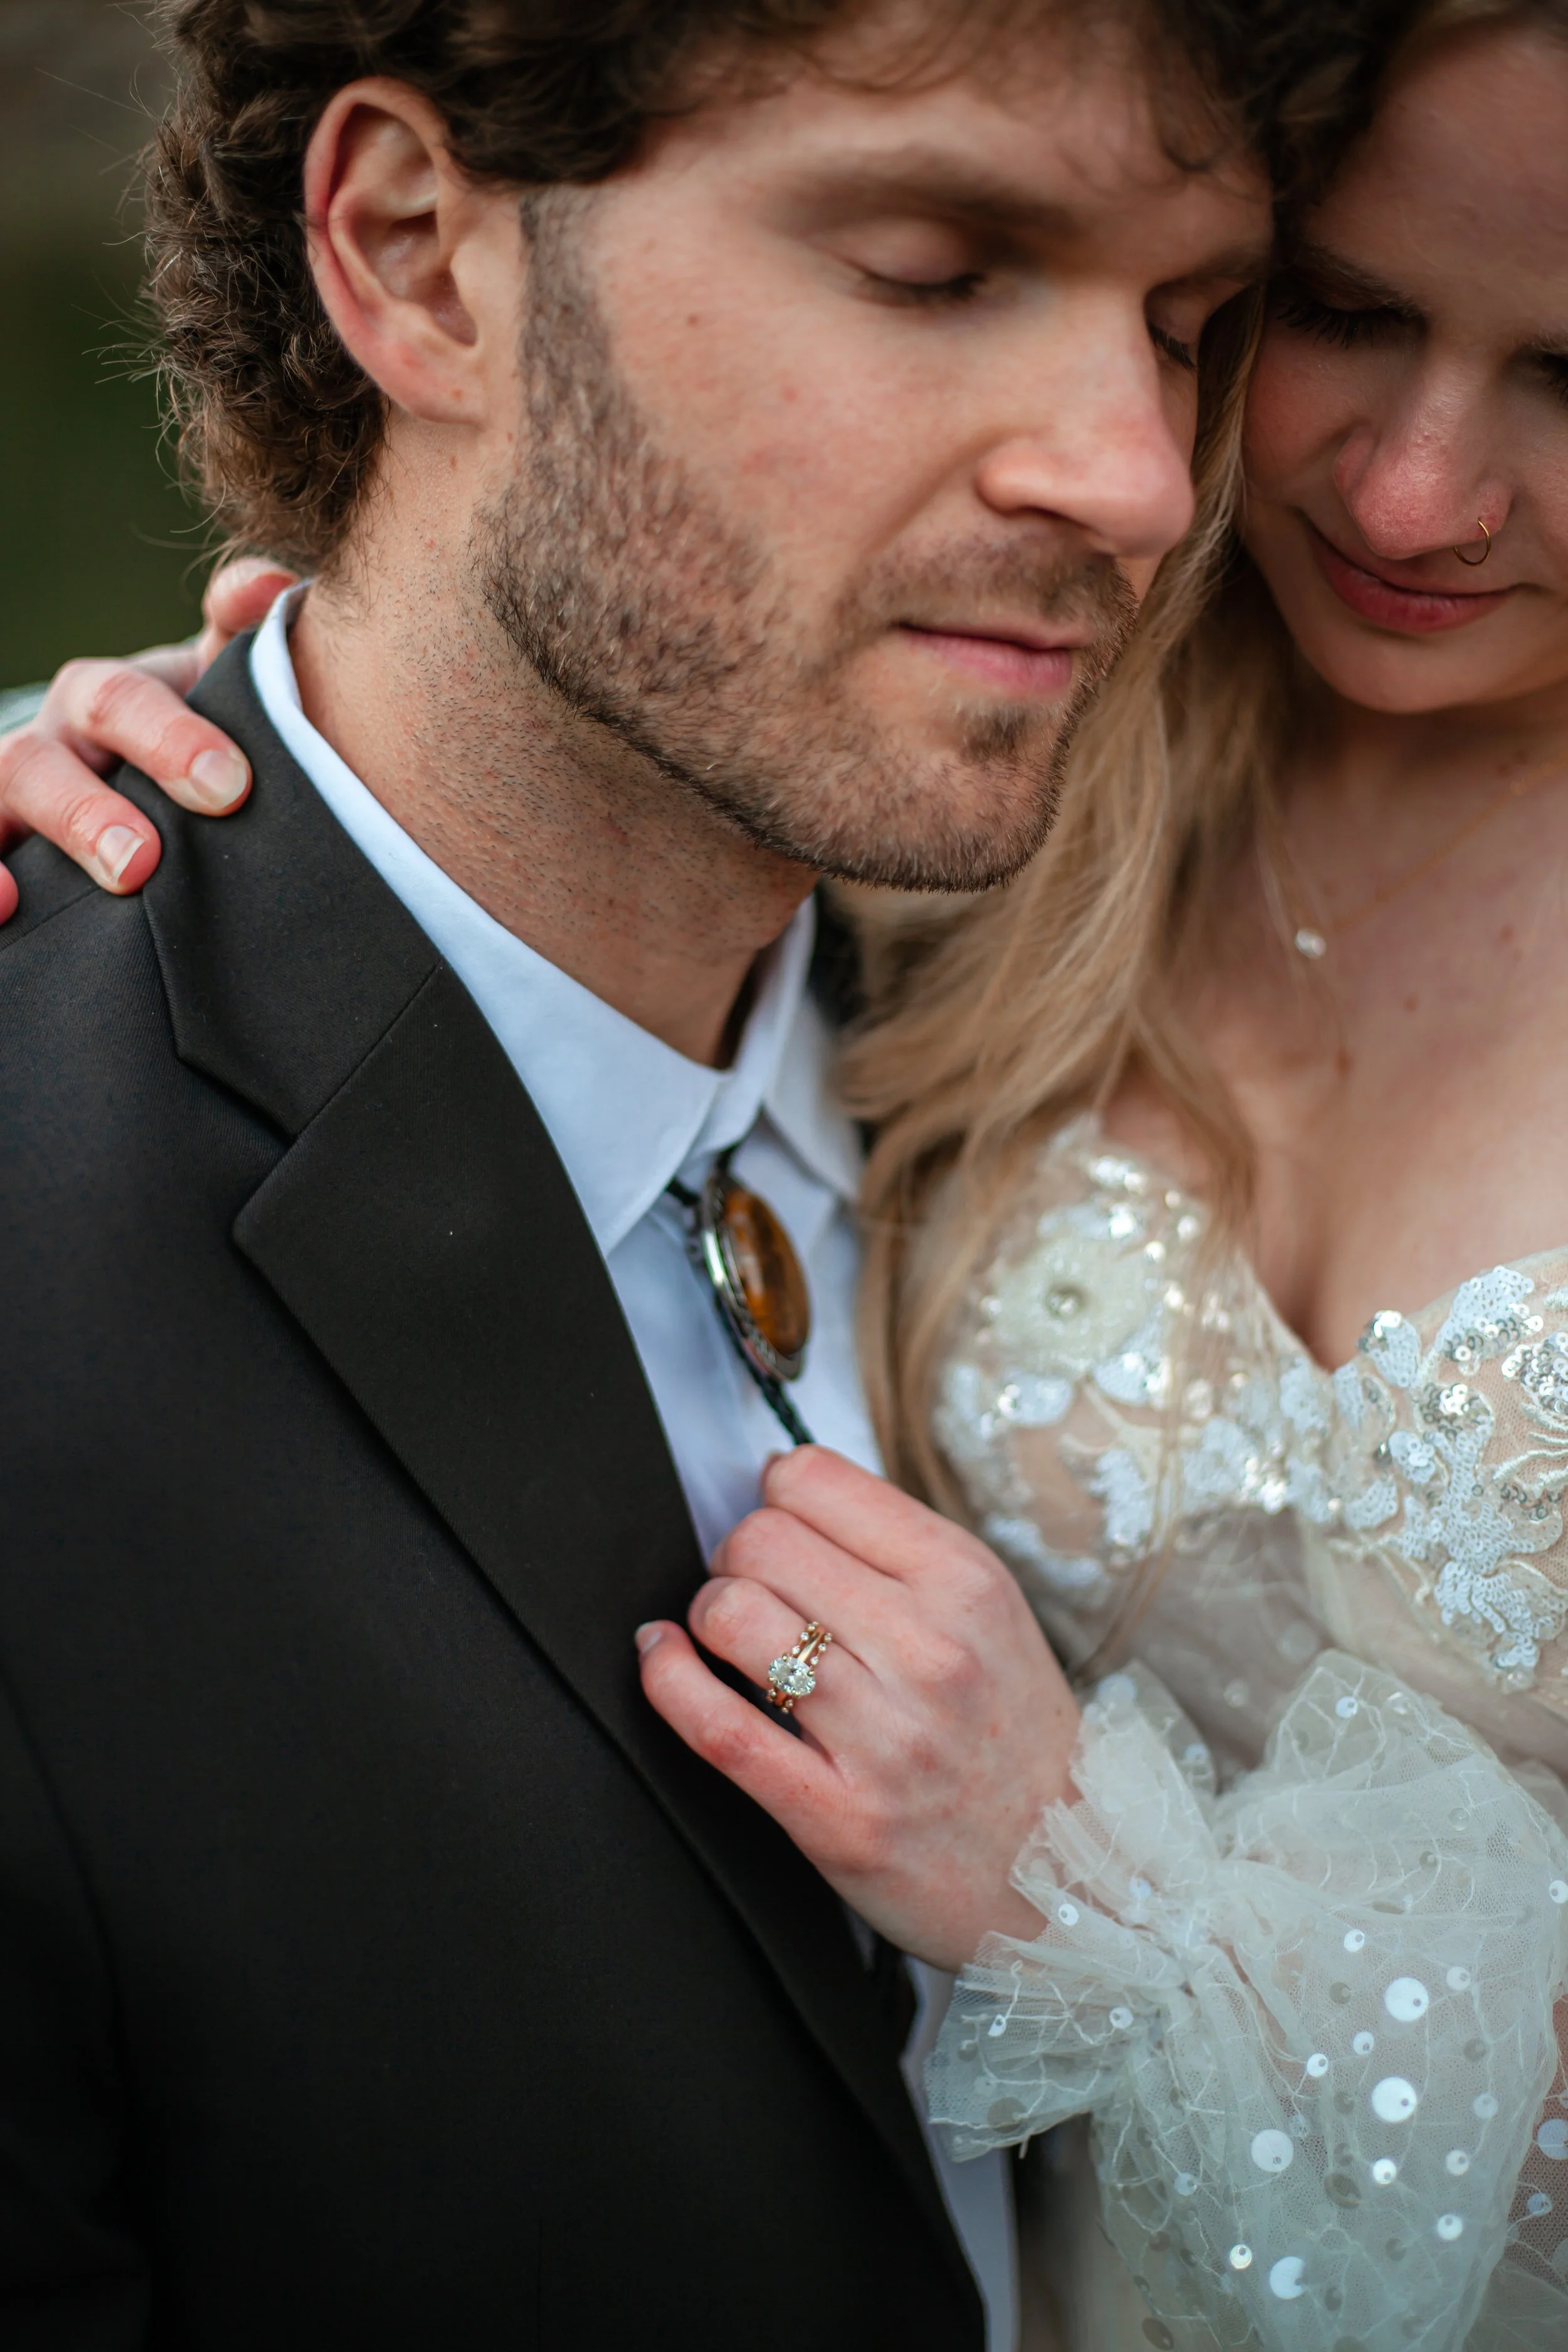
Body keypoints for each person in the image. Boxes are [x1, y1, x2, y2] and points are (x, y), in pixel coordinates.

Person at [0, 0, 1366, 2344]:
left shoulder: (1097, 1028)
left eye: (1189, 321)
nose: (1141, 475)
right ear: (419, 257)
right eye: (938, 266)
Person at [644, 1, 1568, 2344]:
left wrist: (1091, 1897)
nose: (1408, 496)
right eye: (1345, 315)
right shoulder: (999, 742)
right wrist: (194, 765)